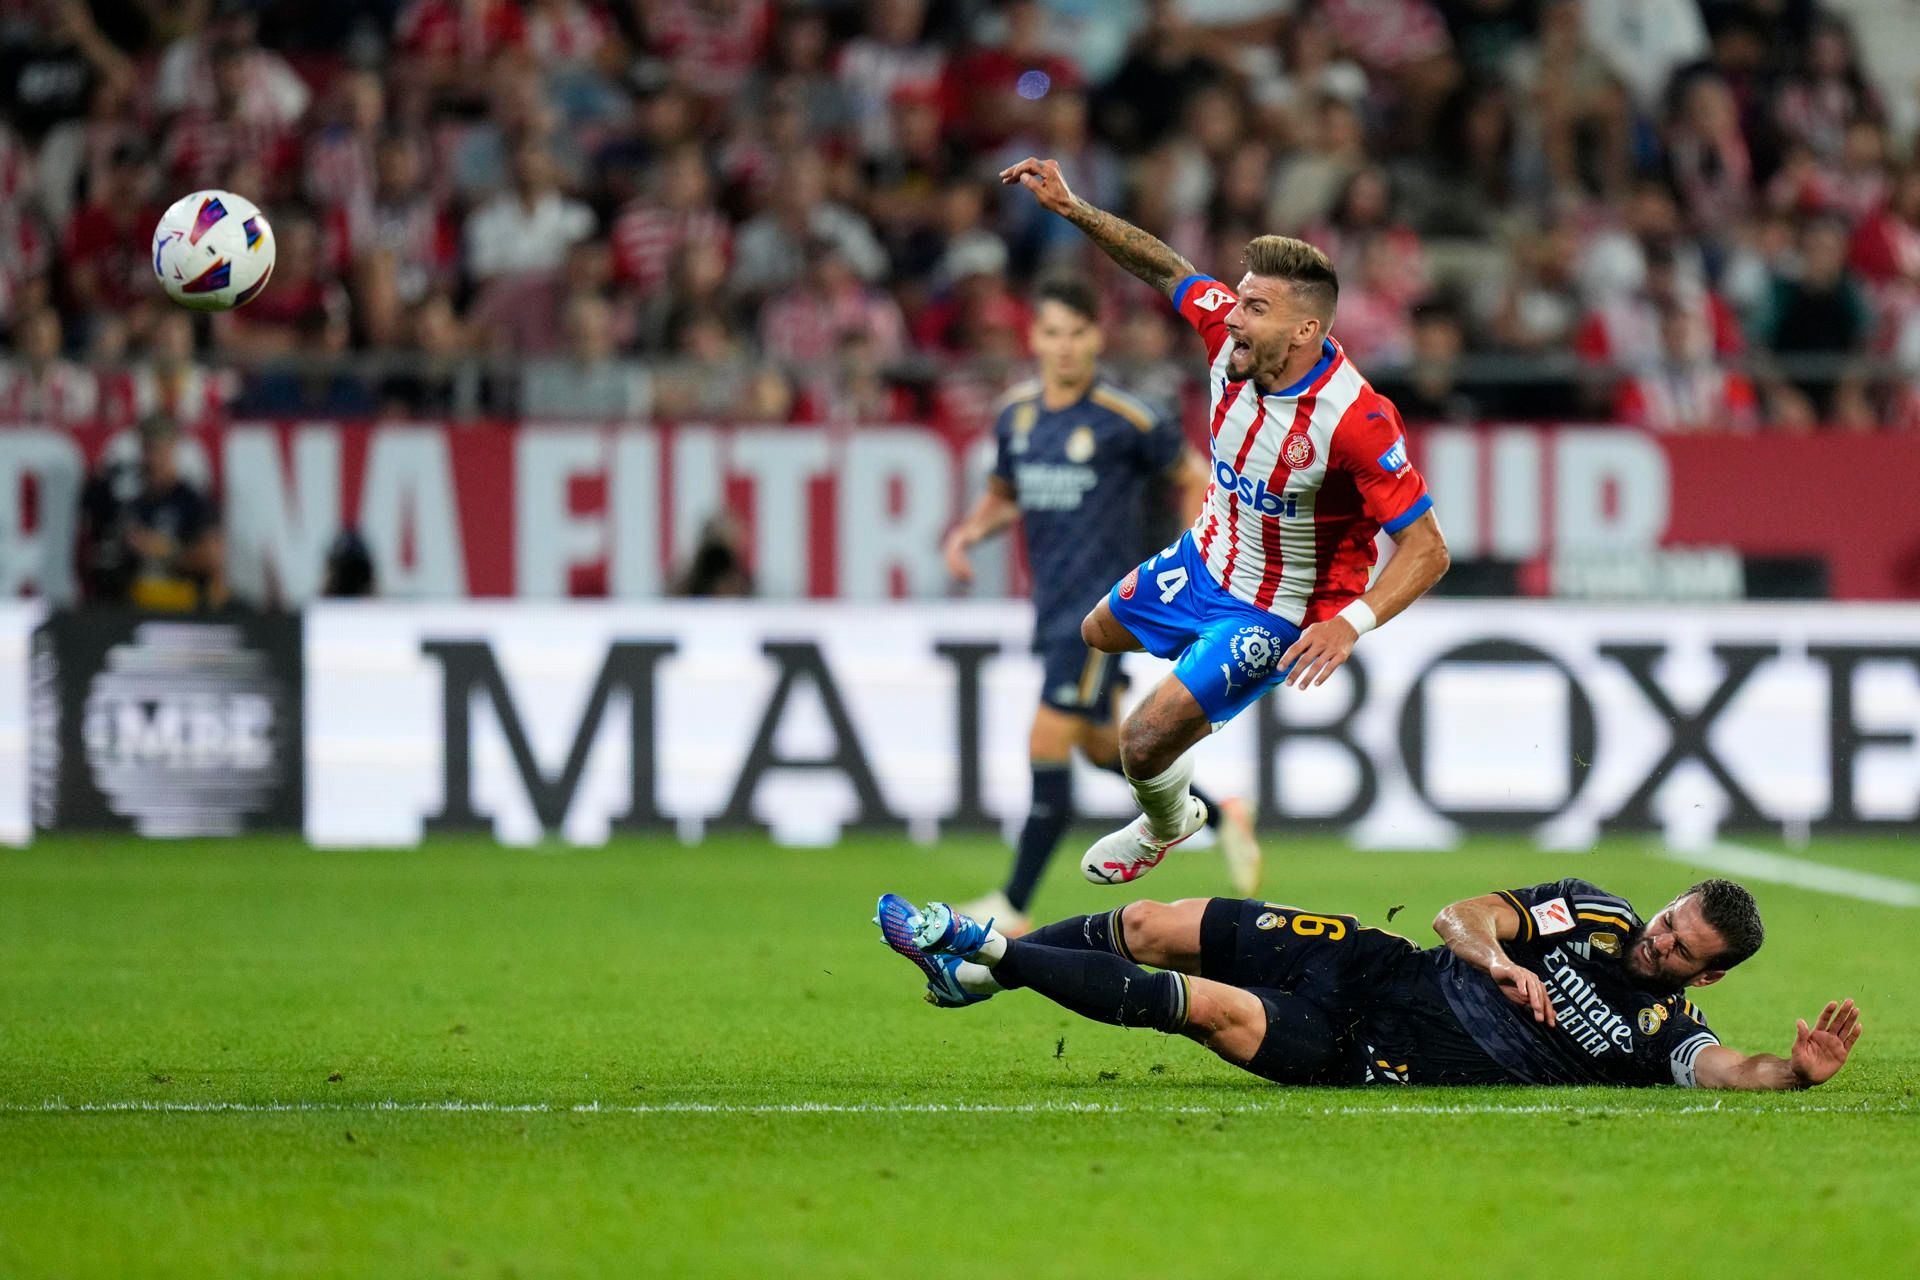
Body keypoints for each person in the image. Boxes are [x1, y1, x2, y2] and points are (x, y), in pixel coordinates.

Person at [997, 157, 1450, 887]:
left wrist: (1349, 624)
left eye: (1255, 310)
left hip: (1280, 609)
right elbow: (1164, 266)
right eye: (1237, 302)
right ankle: (1187, 802)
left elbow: (1428, 551)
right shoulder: (1226, 336)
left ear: (1304, 329)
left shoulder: (1355, 420)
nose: (1233, 317)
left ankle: (1166, 825)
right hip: (1206, 559)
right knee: (1096, 633)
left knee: (1141, 741)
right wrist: (1073, 208)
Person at [874, 878, 1863, 1091]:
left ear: (1710, 970)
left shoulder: (1664, 1036)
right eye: (1665, 920)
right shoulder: (1594, 914)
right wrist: (1501, 962)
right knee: (1151, 923)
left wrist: (1796, 1071)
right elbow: (1460, 916)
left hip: (1360, 1048)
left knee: (1206, 1006)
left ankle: (980, 949)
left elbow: (1732, 1068)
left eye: (1677, 946)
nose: (1653, 942)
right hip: (1368, 960)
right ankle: (982, 976)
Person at [943, 277, 1262, 935]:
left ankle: (1014, 904)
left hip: (1103, 614)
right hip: (1051, 604)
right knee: (1103, 749)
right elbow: (1007, 490)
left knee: (1046, 736)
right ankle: (1222, 812)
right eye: (1052, 332)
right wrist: (972, 530)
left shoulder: (1128, 419)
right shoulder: (1017, 417)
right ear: (1033, 338)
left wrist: (1194, 564)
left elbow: (1194, 476)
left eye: (1077, 332)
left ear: (1096, 338)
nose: (1064, 346)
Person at [77, 413, 225, 610]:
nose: (153, 458)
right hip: (133, 605)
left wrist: (163, 550)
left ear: (174, 449)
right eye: (147, 448)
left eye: (160, 449)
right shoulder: (128, 501)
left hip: (181, 606)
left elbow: (213, 557)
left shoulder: (191, 501)